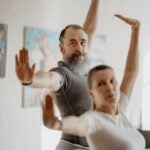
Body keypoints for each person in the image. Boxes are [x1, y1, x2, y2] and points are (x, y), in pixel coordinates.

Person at [41, 14, 146, 150]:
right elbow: (79, 125)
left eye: (112, 81)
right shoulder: (94, 119)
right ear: (91, 93)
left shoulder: (121, 108)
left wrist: (136, 30)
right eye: (101, 84)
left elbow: (131, 71)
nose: (109, 87)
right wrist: (57, 124)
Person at [15, 0, 100, 149]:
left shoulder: (84, 71)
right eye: (72, 43)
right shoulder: (63, 74)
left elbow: (90, 29)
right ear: (62, 48)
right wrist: (30, 79)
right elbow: (49, 79)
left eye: (83, 42)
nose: (79, 47)